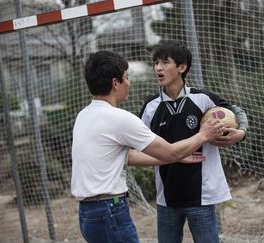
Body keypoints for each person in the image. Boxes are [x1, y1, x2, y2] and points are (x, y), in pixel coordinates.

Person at [70, 50, 224, 243]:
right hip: (110, 210)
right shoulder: (120, 118)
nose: (129, 83)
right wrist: (203, 135)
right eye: (127, 77)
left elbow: (126, 156)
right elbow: (168, 151)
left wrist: (174, 156)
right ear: (115, 83)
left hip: (88, 213)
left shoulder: (84, 115)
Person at [139, 41, 249, 243]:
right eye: (156, 63)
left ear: (182, 67)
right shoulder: (150, 106)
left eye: (165, 62)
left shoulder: (202, 99)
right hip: (166, 198)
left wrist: (241, 132)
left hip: (201, 196)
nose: (158, 68)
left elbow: (237, 111)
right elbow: (138, 145)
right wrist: (174, 155)